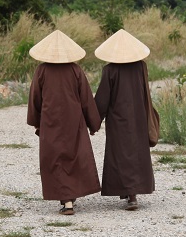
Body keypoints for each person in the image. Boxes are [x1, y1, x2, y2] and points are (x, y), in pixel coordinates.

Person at [26, 30, 101, 216]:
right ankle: (69, 198)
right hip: (74, 121)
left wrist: (36, 121)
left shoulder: (42, 70)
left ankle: (67, 201)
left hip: (50, 121)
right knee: (73, 157)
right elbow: (86, 99)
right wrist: (93, 123)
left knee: (55, 159)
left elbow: (35, 98)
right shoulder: (75, 70)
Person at [93, 29, 155, 210]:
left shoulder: (110, 70)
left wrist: (94, 121)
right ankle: (132, 194)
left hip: (118, 120)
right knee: (136, 153)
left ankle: (130, 193)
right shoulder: (141, 67)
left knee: (121, 155)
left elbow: (102, 99)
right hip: (139, 116)